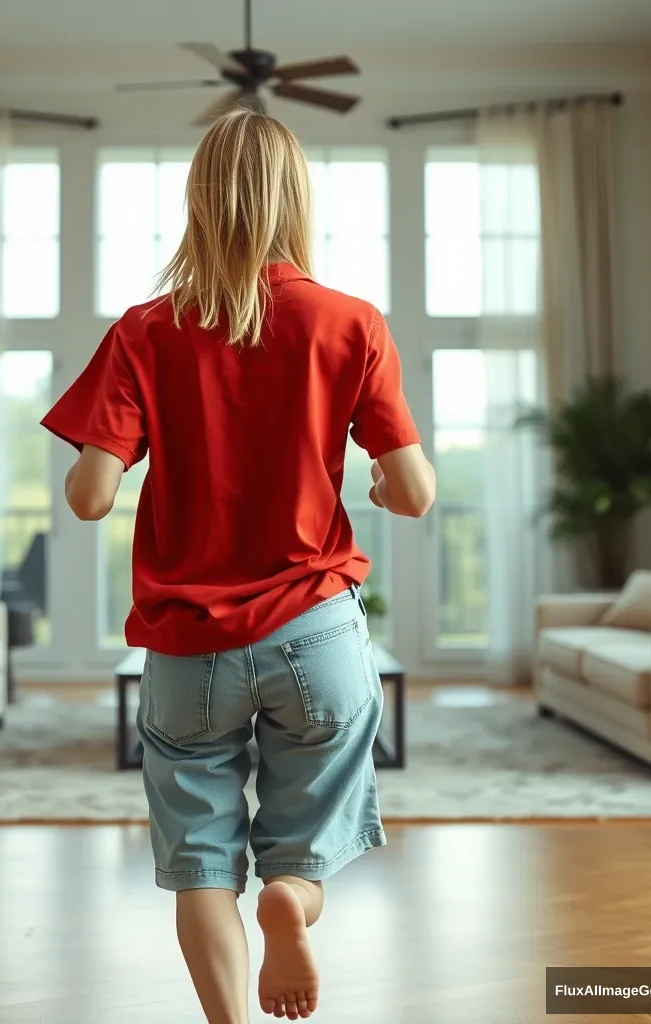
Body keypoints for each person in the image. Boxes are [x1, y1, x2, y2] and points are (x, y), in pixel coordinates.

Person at [41, 109, 436, 1024]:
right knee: (301, 847)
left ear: (199, 202)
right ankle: (293, 900)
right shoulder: (351, 322)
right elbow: (413, 492)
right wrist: (375, 482)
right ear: (296, 201)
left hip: (188, 647)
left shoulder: (146, 330)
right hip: (318, 633)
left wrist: (122, 447)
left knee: (200, 865)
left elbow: (90, 497)